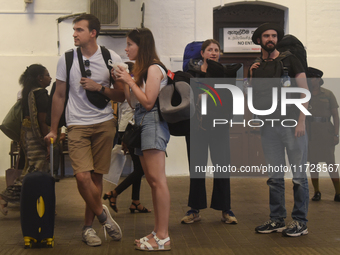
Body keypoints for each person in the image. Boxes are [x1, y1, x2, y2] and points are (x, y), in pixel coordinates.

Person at [44, 14, 125, 247]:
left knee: (96, 178)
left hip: (104, 123)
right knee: (81, 176)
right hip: (76, 125)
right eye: (74, 30)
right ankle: (103, 215)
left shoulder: (112, 58)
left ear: (93, 33)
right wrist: (53, 129)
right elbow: (59, 95)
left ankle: (88, 228)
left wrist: (99, 87)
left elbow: (121, 95)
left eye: (79, 29)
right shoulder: (66, 59)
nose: (74, 34)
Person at [113, 28, 171, 251]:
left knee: (158, 180)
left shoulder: (155, 68)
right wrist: (125, 82)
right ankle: (158, 232)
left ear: (142, 46)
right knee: (152, 181)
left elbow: (148, 102)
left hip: (153, 121)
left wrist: (130, 79)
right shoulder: (141, 70)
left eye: (130, 44)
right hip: (142, 121)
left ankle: (163, 236)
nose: (126, 49)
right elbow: (133, 103)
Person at [250, 23, 310, 237]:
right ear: (259, 40)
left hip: (293, 125)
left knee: (298, 177)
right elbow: (254, 96)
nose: (271, 39)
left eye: (274, 35)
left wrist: (302, 121)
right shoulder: (257, 66)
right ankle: (277, 219)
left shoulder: (290, 60)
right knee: (275, 177)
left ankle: (300, 222)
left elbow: (304, 91)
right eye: (266, 35)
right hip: (269, 127)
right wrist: (250, 75)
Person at [180, 39, 237, 225]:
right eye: (210, 50)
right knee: (197, 168)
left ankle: (226, 210)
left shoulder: (225, 74)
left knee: (221, 167)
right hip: (196, 127)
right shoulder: (191, 74)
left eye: (216, 50)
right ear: (202, 53)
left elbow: (230, 98)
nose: (213, 53)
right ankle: (194, 210)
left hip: (218, 126)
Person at [1, 64, 52, 216]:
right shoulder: (41, 94)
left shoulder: (27, 92)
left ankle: (33, 204)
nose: (50, 78)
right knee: (35, 172)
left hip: (26, 135)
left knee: (30, 170)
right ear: (40, 78)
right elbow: (43, 121)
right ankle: (6, 196)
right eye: (47, 74)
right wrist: (47, 142)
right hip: (36, 138)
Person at [103, 63, 151, 214]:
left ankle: (135, 202)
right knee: (141, 168)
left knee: (138, 167)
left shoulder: (121, 86)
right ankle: (114, 193)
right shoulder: (128, 85)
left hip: (127, 128)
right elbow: (133, 107)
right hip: (132, 129)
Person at [306, 67, 340, 202]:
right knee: (313, 163)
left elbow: (335, 116)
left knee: (330, 162)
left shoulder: (328, 94)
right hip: (310, 132)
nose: (310, 80)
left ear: (319, 79)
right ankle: (317, 192)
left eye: (312, 78)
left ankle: (338, 192)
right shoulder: (305, 94)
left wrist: (336, 134)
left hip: (326, 131)